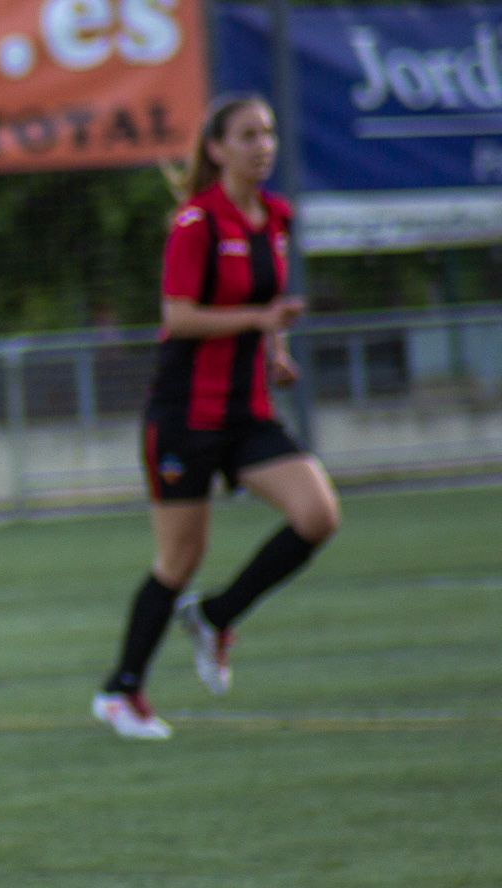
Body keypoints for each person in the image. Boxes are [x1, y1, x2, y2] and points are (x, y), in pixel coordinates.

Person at [92, 94, 340, 740]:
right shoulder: (197, 223)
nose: (263, 145)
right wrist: (260, 323)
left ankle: (217, 616)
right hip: (185, 417)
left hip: (247, 412)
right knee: (178, 559)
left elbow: (265, 302)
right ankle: (121, 691)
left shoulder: (275, 218)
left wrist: (276, 348)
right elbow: (178, 316)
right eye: (248, 135)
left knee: (318, 514)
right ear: (216, 149)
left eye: (270, 132)